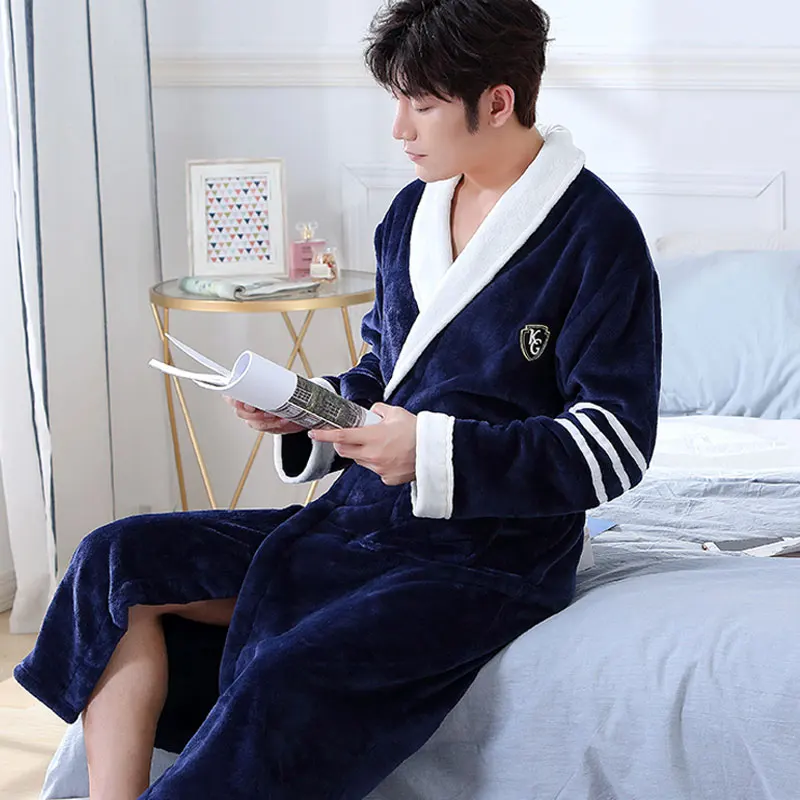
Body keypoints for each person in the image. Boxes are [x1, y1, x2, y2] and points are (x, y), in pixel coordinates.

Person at [16, 1, 661, 798]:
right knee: (115, 560)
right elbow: (383, 372)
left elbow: (614, 444)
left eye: (421, 105)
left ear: (497, 102)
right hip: (358, 518)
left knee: (286, 678)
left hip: (490, 554)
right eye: (396, 101)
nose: (399, 130)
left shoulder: (596, 235)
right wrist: (309, 409)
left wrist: (430, 451)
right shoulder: (411, 215)